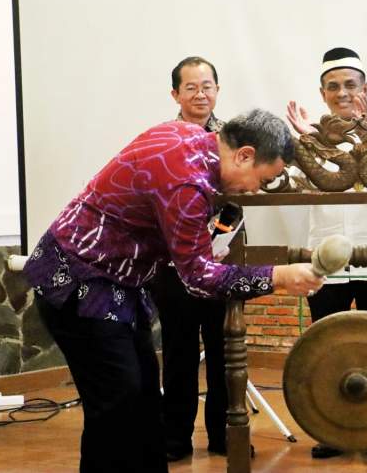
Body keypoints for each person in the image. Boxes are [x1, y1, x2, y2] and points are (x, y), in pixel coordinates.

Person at [23, 110, 323, 473]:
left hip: (117, 283)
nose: (255, 190)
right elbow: (198, 278)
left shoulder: (186, 133)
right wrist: (278, 275)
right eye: (261, 178)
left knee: (145, 398)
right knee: (116, 405)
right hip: (76, 280)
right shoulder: (187, 183)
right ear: (244, 154)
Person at [286, 47, 367, 460]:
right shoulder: (310, 139)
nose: (342, 93)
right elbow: (297, 184)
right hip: (326, 260)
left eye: (350, 85)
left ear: (365, 88)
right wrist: (308, 143)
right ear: (322, 94)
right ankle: (330, 430)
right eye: (333, 87)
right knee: (327, 348)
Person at [146, 56, 229, 461]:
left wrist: (218, 238)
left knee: (223, 352)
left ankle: (223, 436)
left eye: (208, 86)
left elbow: (243, 196)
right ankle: (175, 440)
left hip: (222, 261)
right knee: (178, 354)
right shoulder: (163, 139)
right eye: (192, 87)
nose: (201, 94)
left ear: (217, 90)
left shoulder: (233, 138)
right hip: (173, 266)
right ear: (175, 94)